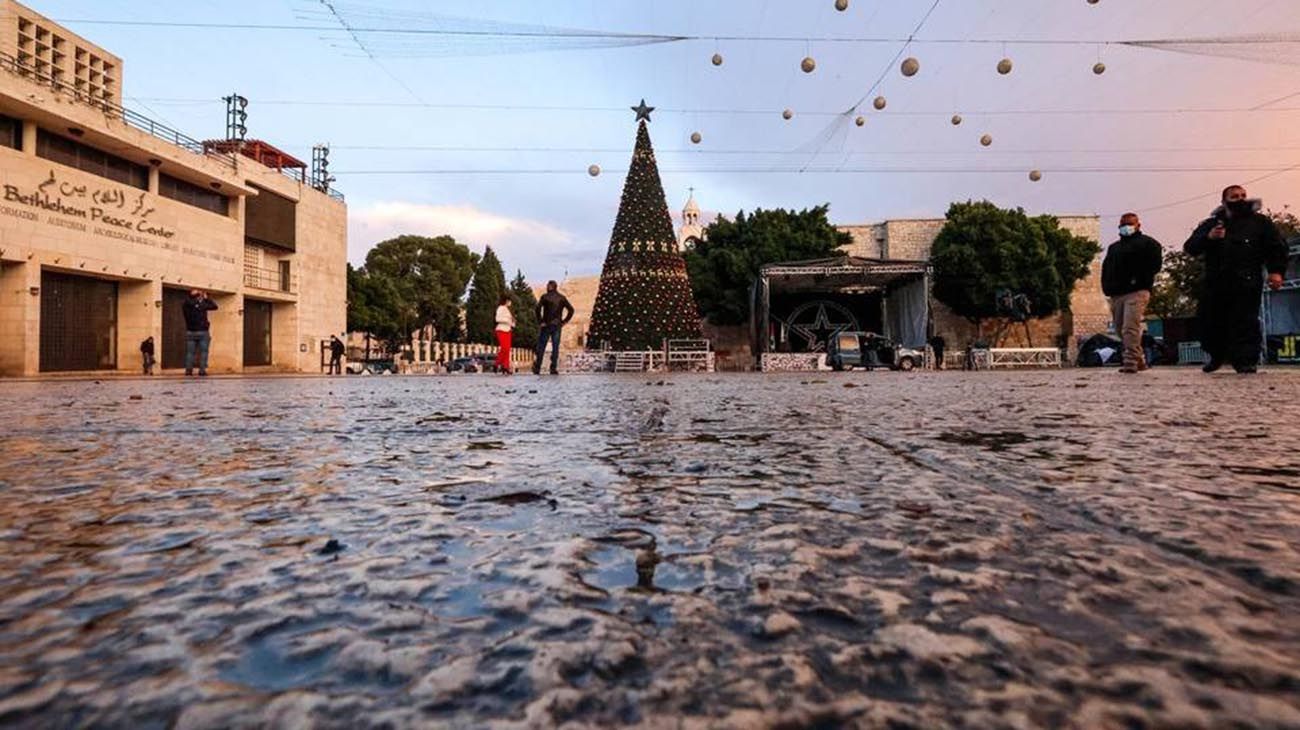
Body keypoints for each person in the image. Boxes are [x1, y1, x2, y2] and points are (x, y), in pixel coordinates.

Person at [1184, 185, 1288, 374]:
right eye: (1234, 197)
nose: (1240, 199)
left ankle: (1246, 361)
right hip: (1216, 283)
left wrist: (1276, 272)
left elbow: (1276, 248)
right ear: (1224, 201)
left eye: (1243, 196)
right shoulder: (1212, 224)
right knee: (1212, 321)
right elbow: (1190, 247)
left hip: (1247, 280)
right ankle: (1216, 356)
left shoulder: (1260, 223)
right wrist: (1209, 237)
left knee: (1246, 321)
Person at [1101, 212, 1163, 374]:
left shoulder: (1148, 244)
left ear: (1138, 225)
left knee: (1130, 326)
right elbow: (1106, 268)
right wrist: (1107, 287)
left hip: (1137, 291)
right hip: (1117, 293)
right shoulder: (1114, 248)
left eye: (1129, 224)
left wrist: (1139, 279)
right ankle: (1139, 358)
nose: (1126, 227)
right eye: (1123, 225)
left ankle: (1130, 361)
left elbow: (1155, 265)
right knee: (1121, 329)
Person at [533, 280, 574, 375]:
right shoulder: (562, 298)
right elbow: (571, 310)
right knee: (555, 347)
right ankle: (553, 368)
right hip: (557, 325)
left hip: (546, 325)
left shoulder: (544, 297)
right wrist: (564, 321)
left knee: (541, 347)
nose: (546, 287)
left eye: (547, 285)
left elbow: (537, 309)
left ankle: (538, 367)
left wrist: (540, 321)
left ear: (550, 287)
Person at [182, 289, 218, 376]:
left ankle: (188, 371)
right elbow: (214, 306)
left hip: (190, 331)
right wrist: (206, 298)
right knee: (204, 352)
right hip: (203, 331)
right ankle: (202, 371)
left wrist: (195, 296)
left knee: (190, 352)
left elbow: (188, 300)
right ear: (198, 297)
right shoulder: (202, 305)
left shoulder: (185, 305)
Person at [494, 295, 515, 375]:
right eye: (509, 301)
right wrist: (508, 321)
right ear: (506, 301)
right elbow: (497, 319)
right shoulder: (500, 308)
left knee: (507, 349)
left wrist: (512, 322)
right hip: (501, 329)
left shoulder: (508, 309)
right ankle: (497, 363)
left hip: (508, 330)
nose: (510, 303)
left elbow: (511, 321)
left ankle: (505, 366)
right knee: (504, 348)